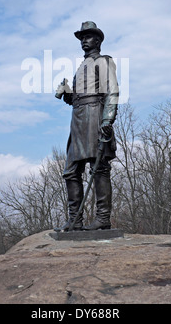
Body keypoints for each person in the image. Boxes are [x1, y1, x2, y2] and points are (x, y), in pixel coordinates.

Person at [55, 21, 119, 231]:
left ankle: (102, 218)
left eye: (88, 36)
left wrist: (107, 120)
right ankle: (75, 220)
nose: (84, 40)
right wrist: (67, 93)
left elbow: (112, 92)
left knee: (99, 168)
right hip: (78, 118)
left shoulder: (104, 61)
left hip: (94, 115)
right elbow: (77, 99)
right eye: (82, 37)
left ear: (98, 40)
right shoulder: (81, 67)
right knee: (70, 171)